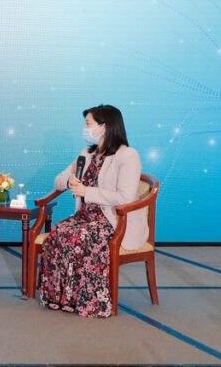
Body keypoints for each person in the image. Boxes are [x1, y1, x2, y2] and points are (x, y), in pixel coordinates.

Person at [38, 104, 143, 318]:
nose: (85, 128)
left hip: (112, 220)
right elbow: (58, 181)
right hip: (85, 217)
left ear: (105, 126)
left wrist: (87, 191)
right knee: (59, 231)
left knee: (82, 235)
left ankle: (92, 301)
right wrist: (69, 180)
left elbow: (125, 197)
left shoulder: (127, 155)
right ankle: (62, 297)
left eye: (88, 123)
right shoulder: (86, 154)